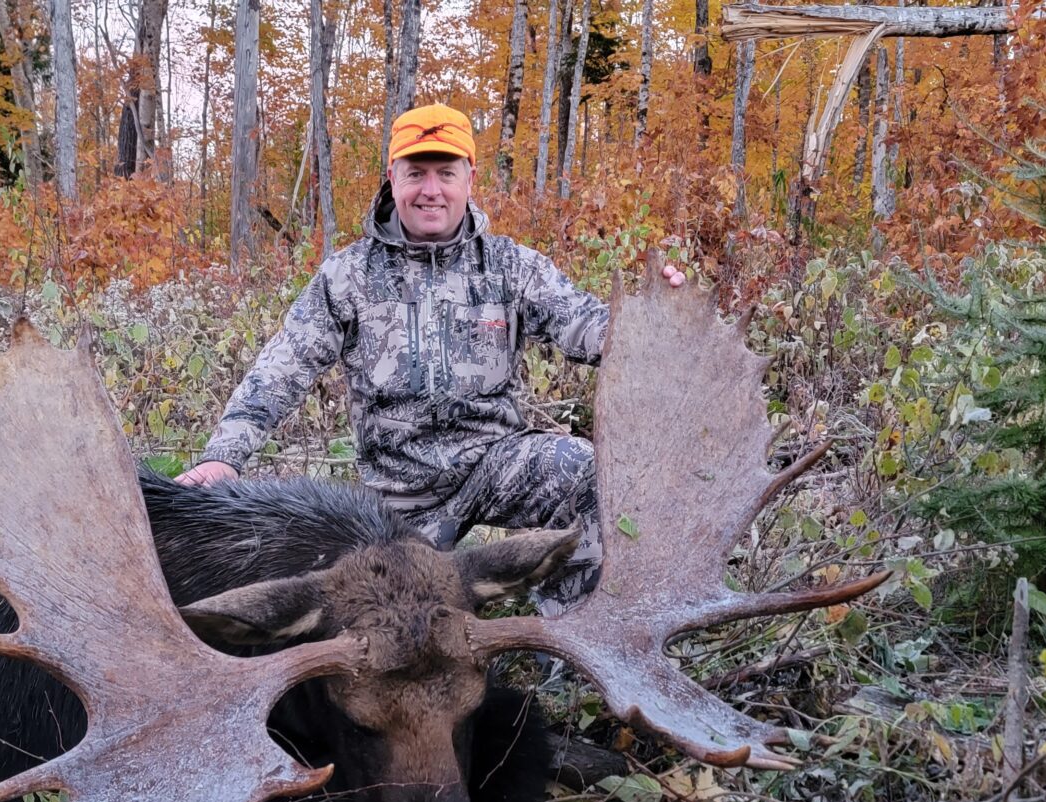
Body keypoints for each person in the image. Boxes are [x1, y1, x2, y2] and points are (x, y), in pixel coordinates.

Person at [177, 103, 686, 617]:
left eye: (446, 173)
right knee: (380, 616)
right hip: (395, 499)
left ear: (470, 178)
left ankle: (565, 637)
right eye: (415, 173)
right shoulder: (347, 276)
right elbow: (282, 369)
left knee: (588, 474)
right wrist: (225, 454)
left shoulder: (511, 266)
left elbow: (591, 328)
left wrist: (654, 320)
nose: (431, 190)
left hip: (494, 463)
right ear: (392, 178)